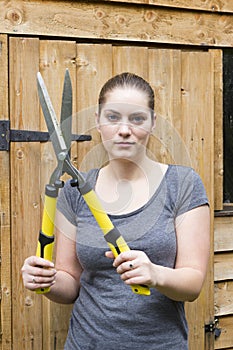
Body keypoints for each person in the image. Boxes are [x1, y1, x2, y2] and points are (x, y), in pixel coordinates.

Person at [21, 72, 210, 349]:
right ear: (97, 121)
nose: (124, 129)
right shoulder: (73, 192)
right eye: (113, 117)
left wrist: (156, 274)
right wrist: (45, 281)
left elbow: (192, 283)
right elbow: (69, 284)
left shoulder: (182, 184)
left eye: (137, 118)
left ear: (153, 123)